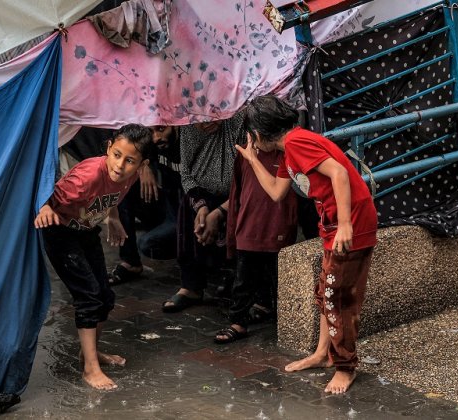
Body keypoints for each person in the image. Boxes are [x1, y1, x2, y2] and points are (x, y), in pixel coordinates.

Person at [234, 94, 378, 394]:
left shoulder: (298, 143)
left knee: (337, 297)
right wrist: (251, 159)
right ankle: (324, 354)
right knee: (326, 290)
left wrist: (346, 225)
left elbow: (338, 173)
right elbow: (275, 192)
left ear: (258, 134)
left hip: (349, 225)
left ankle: (344, 367)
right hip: (333, 226)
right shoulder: (289, 151)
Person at [33, 124, 155, 390]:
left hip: (86, 230)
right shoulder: (86, 177)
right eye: (117, 155)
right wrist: (43, 208)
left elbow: (113, 194)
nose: (120, 165)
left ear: (142, 164)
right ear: (108, 148)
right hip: (60, 232)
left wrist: (113, 219)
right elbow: (45, 193)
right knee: (88, 296)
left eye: (130, 160)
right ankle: (90, 369)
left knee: (105, 297)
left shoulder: (130, 176)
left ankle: (89, 354)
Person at [212, 144, 298, 344]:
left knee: (280, 280)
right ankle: (238, 322)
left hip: (278, 226)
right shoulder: (244, 153)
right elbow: (237, 193)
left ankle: (285, 323)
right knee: (243, 280)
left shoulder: (287, 154)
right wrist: (234, 230)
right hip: (249, 225)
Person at [161, 114, 246, 312]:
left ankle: (236, 282)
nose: (208, 122)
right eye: (202, 116)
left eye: (215, 114)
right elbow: (187, 174)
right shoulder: (189, 127)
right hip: (202, 194)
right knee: (187, 210)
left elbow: (249, 177)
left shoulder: (239, 120)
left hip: (238, 193)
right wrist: (201, 206)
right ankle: (191, 286)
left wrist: (219, 212)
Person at [111, 125, 183, 284]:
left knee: (148, 244)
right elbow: (131, 151)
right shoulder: (153, 143)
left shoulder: (187, 140)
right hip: (166, 208)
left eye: (161, 129)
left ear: (175, 125)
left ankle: (195, 254)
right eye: (151, 132)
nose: (156, 137)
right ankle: (130, 262)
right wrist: (144, 168)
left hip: (188, 213)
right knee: (125, 186)